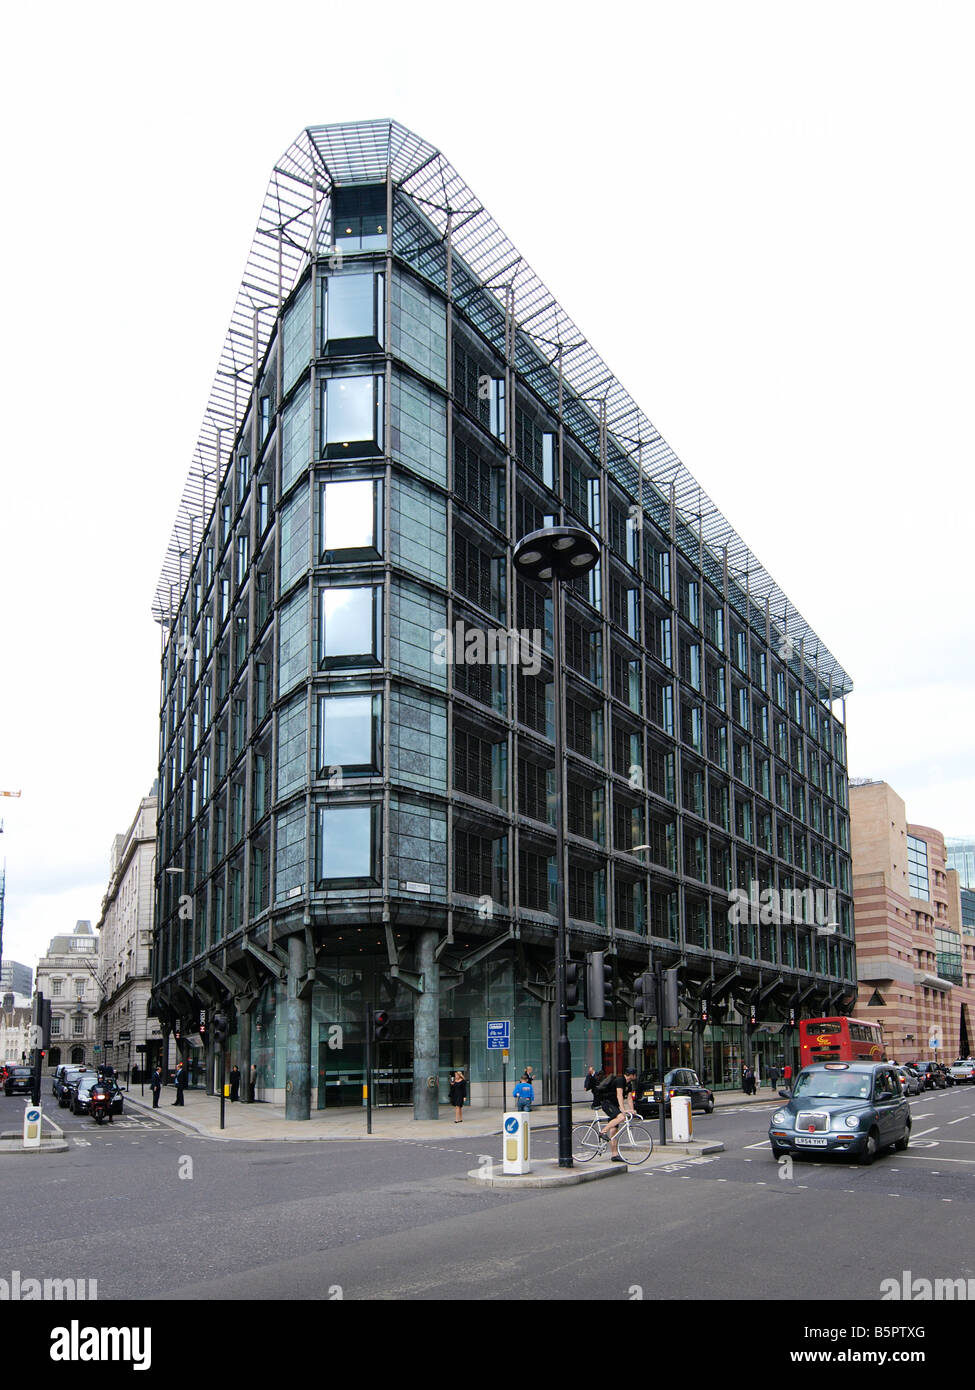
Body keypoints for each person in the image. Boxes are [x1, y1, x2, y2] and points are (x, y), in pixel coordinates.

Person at [596, 1068, 638, 1161]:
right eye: (635, 1074)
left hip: (614, 1105)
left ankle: (614, 1155)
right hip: (607, 1103)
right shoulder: (620, 1080)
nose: (636, 1075)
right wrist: (623, 1110)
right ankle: (602, 1132)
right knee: (621, 1117)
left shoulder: (629, 1084)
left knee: (614, 1130)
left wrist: (632, 1110)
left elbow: (629, 1098)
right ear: (631, 1074)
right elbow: (619, 1095)